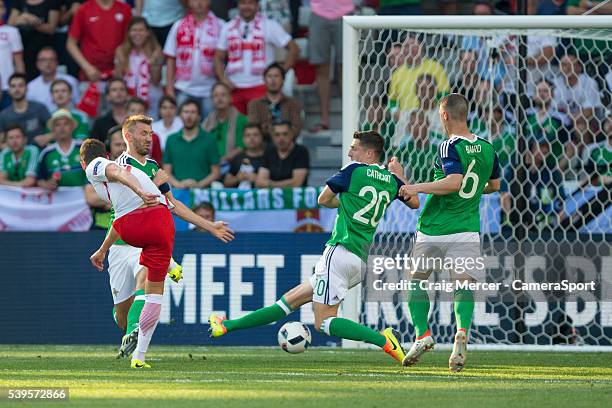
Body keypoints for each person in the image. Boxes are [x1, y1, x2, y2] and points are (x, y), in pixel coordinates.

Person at [209, 130, 420, 366]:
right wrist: (401, 178)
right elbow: (414, 202)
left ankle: (383, 340)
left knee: (323, 323)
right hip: (359, 260)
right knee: (287, 302)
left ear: (369, 153)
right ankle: (226, 326)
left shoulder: (353, 171)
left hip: (339, 252)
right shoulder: (390, 180)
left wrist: (344, 202)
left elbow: (323, 199)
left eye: (354, 148)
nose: (349, 152)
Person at [84, 116, 234, 369]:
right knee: (122, 316)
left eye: (151, 133)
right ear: (128, 138)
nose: (148, 138)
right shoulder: (118, 166)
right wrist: (152, 186)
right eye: (143, 133)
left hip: (144, 242)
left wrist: (209, 226)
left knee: (148, 280)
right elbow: (133, 204)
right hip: (122, 241)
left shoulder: (154, 166)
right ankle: (131, 325)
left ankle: (137, 338)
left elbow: (171, 205)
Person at [398, 93, 501, 372]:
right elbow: (494, 185)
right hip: (467, 227)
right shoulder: (488, 147)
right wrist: (474, 186)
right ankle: (461, 332)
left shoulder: (448, 146)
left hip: (435, 226)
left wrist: (416, 187)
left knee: (416, 279)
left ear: (444, 115)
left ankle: (422, 335)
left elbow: (454, 182)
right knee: (462, 284)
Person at [214, 0, 299, 114]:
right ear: (238, 5)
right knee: (236, 129)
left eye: (250, 3)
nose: (246, 7)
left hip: (261, 87)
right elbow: (218, 57)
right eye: (243, 3)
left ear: (257, 6)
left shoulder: (269, 25)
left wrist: (281, 72)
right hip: (234, 88)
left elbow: (294, 49)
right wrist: (223, 79)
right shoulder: (228, 27)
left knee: (260, 128)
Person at [163, 0, 224, 119]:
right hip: (183, 88)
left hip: (210, 89)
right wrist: (169, 88)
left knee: (209, 128)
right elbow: (171, 58)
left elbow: (225, 57)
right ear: (189, 2)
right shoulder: (179, 25)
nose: (199, 3)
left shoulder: (220, 25)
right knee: (182, 127)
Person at [307, 0, 352, 132]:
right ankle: (324, 120)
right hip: (318, 12)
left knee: (346, 68)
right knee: (321, 68)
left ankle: (349, 119)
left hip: (346, 11)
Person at [67, 0, 131, 82]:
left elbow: (130, 39)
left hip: (118, 72)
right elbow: (70, 43)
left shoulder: (124, 8)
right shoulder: (84, 9)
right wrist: (87, 67)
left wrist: (123, 62)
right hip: (91, 74)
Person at [163, 99, 220, 188]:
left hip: (202, 193)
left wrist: (199, 185)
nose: (189, 116)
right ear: (180, 115)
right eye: (186, 112)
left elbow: (216, 172)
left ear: (199, 116)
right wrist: (179, 185)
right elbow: (166, 171)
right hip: (177, 193)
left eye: (193, 112)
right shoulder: (171, 140)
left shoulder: (210, 140)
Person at [388, 34, 450, 114]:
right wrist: (396, 114)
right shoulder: (397, 74)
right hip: (406, 119)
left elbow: (444, 95)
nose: (410, 49)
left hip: (430, 115)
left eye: (413, 45)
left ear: (421, 47)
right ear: (402, 50)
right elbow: (392, 101)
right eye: (406, 46)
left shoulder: (435, 67)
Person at [114, 16, 164, 112]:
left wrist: (154, 64)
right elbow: (118, 79)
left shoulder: (156, 51)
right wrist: (120, 63)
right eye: (134, 30)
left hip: (151, 101)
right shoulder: (121, 51)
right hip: (128, 102)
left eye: (141, 30)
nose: (137, 34)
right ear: (128, 33)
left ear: (147, 33)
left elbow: (156, 81)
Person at [8, 0, 60, 81]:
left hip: (44, 47)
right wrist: (24, 17)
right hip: (24, 47)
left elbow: (52, 28)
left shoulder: (51, 2)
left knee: (47, 77)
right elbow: (10, 24)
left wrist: (33, 22)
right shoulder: (19, 2)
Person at [247, 62, 301, 140]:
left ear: (283, 80)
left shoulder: (293, 103)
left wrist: (266, 128)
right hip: (263, 147)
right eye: (269, 76)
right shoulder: (254, 104)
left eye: (276, 76)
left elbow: (296, 129)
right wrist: (284, 131)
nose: (273, 80)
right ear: (264, 80)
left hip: (287, 146)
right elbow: (254, 129)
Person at [85, 125, 125, 230]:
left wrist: (105, 200)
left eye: (125, 145)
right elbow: (91, 198)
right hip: (102, 227)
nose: (122, 149)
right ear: (108, 146)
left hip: (130, 227)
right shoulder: (97, 166)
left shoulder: (139, 166)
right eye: (117, 145)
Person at [37, 109, 87, 189]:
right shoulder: (46, 153)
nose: (62, 128)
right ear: (53, 129)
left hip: (84, 199)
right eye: (57, 125)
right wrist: (47, 184)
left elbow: (96, 174)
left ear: (72, 127)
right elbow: (40, 180)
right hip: (58, 200)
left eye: (66, 124)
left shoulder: (84, 148)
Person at [202, 82, 247, 166]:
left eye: (223, 95)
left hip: (233, 164)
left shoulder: (242, 120)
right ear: (212, 100)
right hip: (209, 164)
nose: (219, 98)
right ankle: (168, 178)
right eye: (215, 96)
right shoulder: (207, 122)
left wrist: (221, 160)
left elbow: (241, 148)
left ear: (231, 98)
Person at [0, 73, 50, 145]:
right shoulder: (4, 115)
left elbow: (55, 131)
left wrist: (47, 137)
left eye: (20, 86)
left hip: (40, 152)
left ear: (27, 88)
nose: (17, 89)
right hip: (17, 155)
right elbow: (1, 142)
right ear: (9, 90)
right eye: (13, 86)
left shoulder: (40, 108)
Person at [255, 121, 309, 188]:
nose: (281, 138)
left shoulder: (300, 151)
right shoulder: (269, 151)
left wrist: (270, 184)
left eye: (285, 134)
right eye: (277, 135)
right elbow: (259, 182)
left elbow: (296, 183)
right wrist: (284, 183)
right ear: (272, 136)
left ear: (292, 134)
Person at [26, 47, 79, 112]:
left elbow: (78, 105)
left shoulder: (71, 81)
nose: (48, 63)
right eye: (43, 60)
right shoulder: (30, 87)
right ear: (37, 64)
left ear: (57, 62)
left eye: (51, 59)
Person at [224, 122, 266, 189]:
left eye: (255, 135)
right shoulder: (237, 158)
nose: (251, 138)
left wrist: (257, 179)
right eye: (248, 135)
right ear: (243, 139)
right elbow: (226, 182)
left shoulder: (269, 157)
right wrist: (238, 178)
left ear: (262, 137)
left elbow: (275, 181)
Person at [0, 0, 25, 111]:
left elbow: (18, 61)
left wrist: (21, 85)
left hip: (8, 87)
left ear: (4, 10)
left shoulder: (12, 31)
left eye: (0, 7)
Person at [125, 97, 163, 166]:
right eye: (132, 110)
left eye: (140, 111)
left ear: (145, 114)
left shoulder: (154, 138)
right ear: (126, 113)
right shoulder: (119, 134)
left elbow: (157, 163)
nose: (136, 114)